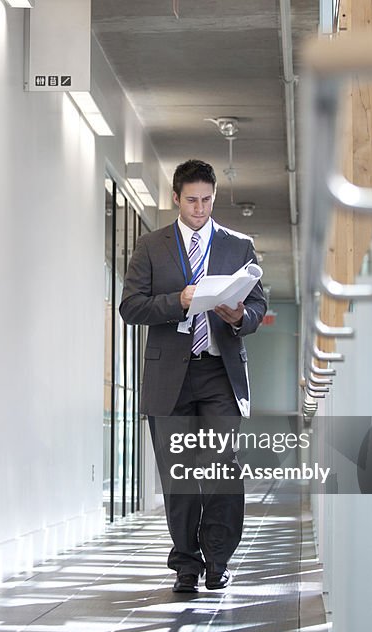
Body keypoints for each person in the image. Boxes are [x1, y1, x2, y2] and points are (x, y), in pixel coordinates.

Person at [119, 159, 266, 593]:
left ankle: (217, 560)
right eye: (191, 201)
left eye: (206, 200)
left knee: (221, 468)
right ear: (176, 199)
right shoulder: (151, 246)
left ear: (214, 197)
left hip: (220, 373)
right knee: (179, 475)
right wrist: (179, 301)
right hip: (170, 379)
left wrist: (241, 315)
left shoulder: (238, 246)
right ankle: (186, 562)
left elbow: (259, 306)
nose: (199, 209)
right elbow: (132, 307)